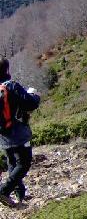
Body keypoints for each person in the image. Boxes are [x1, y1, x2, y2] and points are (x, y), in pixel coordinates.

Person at [0, 58, 41, 208]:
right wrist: (35, 95)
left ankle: (19, 195)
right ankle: (4, 191)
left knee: (12, 161)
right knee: (23, 163)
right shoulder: (12, 86)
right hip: (17, 132)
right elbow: (31, 103)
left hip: (3, 134)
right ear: (6, 70)